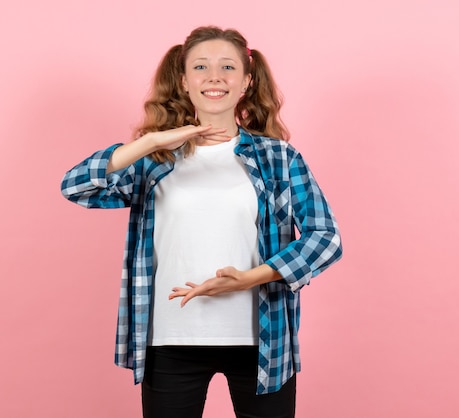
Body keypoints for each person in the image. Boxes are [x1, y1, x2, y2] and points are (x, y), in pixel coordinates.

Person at [61, 25, 342, 418]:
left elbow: (325, 237)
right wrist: (150, 142)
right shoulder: (156, 159)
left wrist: (252, 277)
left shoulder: (279, 157)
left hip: (261, 339)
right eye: (201, 67)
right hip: (171, 336)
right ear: (184, 81)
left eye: (227, 67)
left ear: (245, 81)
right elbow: (75, 187)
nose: (214, 77)